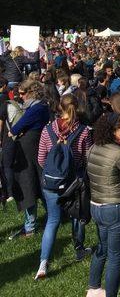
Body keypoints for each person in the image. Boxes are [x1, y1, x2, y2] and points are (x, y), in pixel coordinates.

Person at [34, 94, 93, 279]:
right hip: (74, 181)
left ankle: (43, 263)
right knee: (77, 216)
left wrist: (54, 171)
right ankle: (79, 248)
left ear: (59, 108)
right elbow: (87, 157)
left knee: (52, 221)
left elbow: (41, 158)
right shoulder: (83, 131)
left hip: (51, 182)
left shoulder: (47, 130)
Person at [86, 113, 120, 297]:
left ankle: (93, 287)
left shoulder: (94, 148)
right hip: (116, 208)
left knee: (102, 249)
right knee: (115, 256)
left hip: (97, 205)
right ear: (111, 130)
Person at [9, 79, 51, 239]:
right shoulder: (40, 106)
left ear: (31, 92)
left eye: (22, 93)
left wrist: (15, 132)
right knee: (40, 186)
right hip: (35, 148)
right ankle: (53, 217)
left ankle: (31, 227)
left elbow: (15, 128)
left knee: (29, 187)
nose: (20, 97)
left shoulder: (36, 108)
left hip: (29, 151)